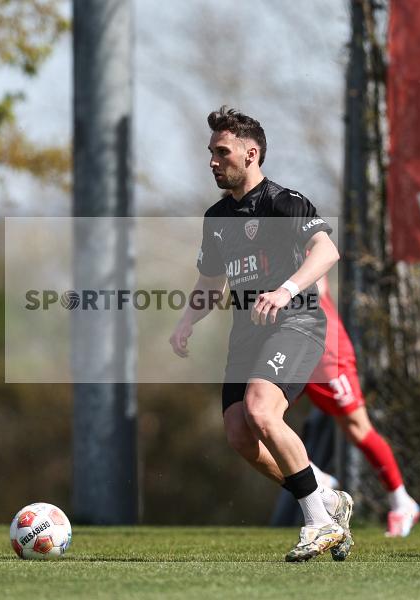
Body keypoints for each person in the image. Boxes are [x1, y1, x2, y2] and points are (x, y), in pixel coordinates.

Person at [170, 106, 353, 562]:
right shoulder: (217, 219)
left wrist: (286, 290)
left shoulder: (283, 202)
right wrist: (188, 320)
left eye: (222, 152)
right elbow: (211, 282)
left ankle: (318, 522)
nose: (213, 160)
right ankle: (327, 499)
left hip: (298, 321)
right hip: (247, 334)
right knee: (239, 433)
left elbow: (327, 251)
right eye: (211, 152)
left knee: (261, 410)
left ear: (251, 154)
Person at [303, 276, 420, 537]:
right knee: (256, 414)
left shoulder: (299, 239)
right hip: (286, 347)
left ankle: (402, 502)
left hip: (325, 351)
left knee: (357, 428)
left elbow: (317, 285)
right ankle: (314, 476)